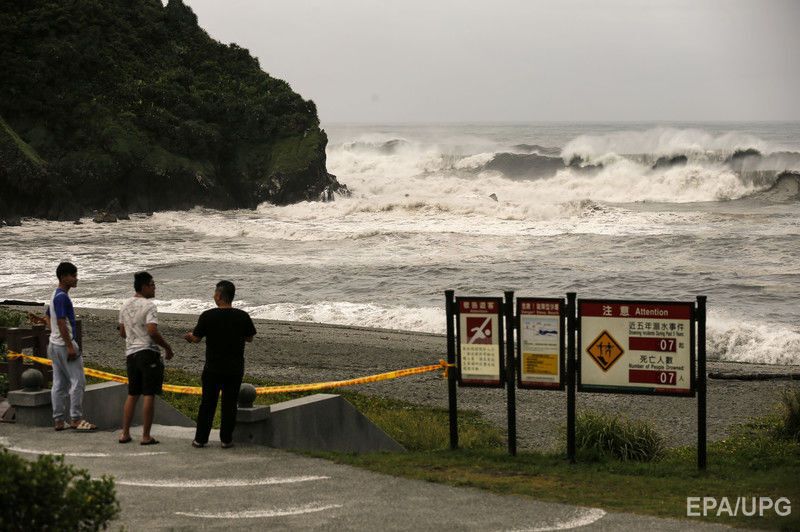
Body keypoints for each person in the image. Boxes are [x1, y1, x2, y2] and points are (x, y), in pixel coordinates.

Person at [184, 280, 256, 448]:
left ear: (219, 296)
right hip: (235, 368)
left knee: (208, 403)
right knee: (230, 405)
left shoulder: (208, 316)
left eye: (215, 293)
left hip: (213, 368)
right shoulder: (242, 316)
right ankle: (226, 439)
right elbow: (249, 337)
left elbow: (196, 338)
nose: (213, 295)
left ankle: (200, 439)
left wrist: (188, 337)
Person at [118, 271, 174, 445]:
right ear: (144, 287)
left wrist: (134, 334)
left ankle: (125, 433)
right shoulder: (149, 306)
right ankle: (146, 436)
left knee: (133, 393)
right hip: (148, 352)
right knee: (149, 393)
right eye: (152, 284)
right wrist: (167, 347)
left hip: (131, 353)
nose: (154, 287)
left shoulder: (125, 304)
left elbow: (122, 332)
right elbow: (152, 330)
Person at [45, 262, 96, 432]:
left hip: (53, 344)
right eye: (73, 275)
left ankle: (59, 420)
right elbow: (60, 321)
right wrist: (69, 346)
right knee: (78, 381)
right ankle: (76, 418)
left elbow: (47, 317)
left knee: (59, 383)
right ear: (63, 277)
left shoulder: (54, 295)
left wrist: (55, 335)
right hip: (63, 345)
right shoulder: (62, 297)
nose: (76, 279)